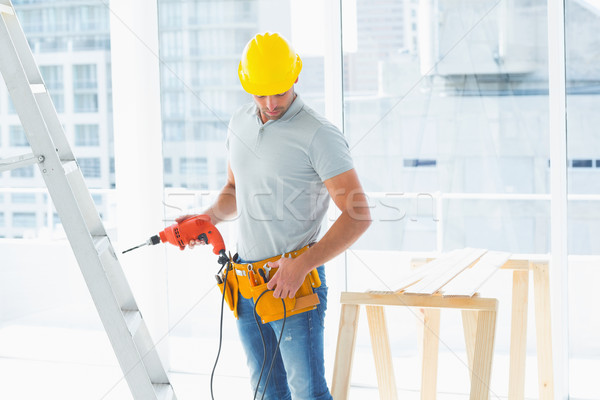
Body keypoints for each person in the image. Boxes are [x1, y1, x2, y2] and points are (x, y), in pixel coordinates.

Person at [186, 32, 371, 400]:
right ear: (246, 85)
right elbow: (235, 191)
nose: (270, 103)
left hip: (294, 283)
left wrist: (302, 264)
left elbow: (358, 214)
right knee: (266, 391)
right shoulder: (240, 121)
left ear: (295, 77)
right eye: (260, 94)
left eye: (280, 92)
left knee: (308, 393)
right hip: (245, 281)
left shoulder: (319, 135)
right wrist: (207, 219)